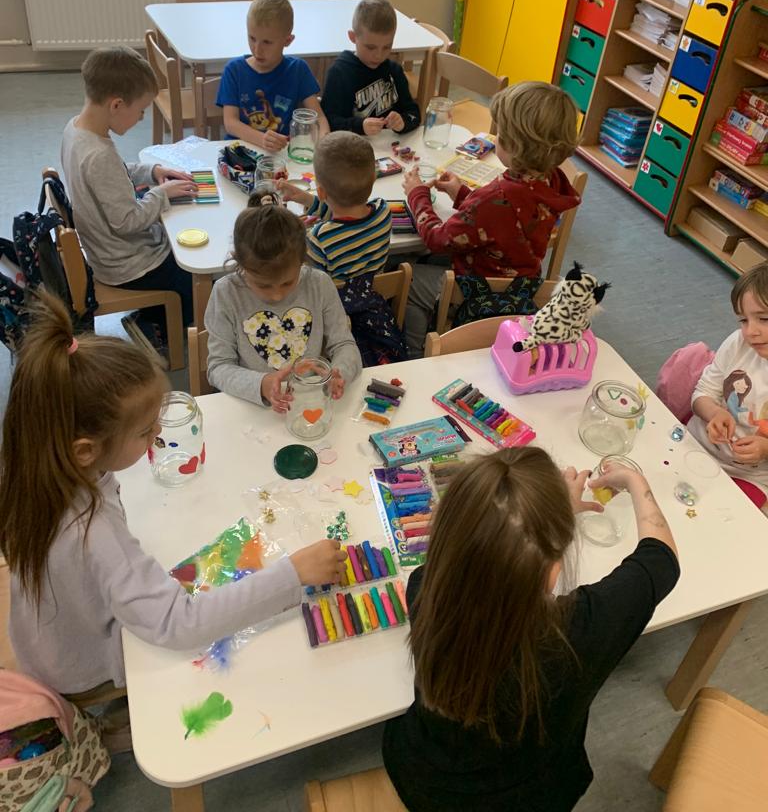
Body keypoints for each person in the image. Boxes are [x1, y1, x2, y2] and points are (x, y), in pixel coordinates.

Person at [0, 292, 347, 704]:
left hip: (46, 637)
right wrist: (293, 573)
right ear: (85, 450)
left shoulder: (36, 464)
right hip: (84, 664)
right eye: (146, 431)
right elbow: (179, 624)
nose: (157, 437)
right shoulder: (92, 531)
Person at [382, 447, 679, 812]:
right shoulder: (577, 634)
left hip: (423, 777)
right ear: (553, 568)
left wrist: (542, 520)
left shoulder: (426, 587)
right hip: (528, 798)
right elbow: (660, 560)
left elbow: (482, 549)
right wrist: (635, 481)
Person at [402, 81, 581, 357]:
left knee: (408, 279)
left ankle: (414, 355)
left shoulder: (498, 196)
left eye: (500, 133)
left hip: (477, 288)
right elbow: (507, 222)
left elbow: (437, 239)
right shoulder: (551, 179)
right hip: (522, 284)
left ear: (514, 145)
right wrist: (463, 194)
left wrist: (417, 195)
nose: (495, 138)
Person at [61, 46, 197, 352]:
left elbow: (115, 175)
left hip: (106, 254)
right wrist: (161, 194)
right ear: (117, 105)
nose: (141, 118)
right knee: (193, 276)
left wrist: (153, 171)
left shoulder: (76, 129)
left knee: (175, 245)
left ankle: (152, 316)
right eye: (141, 110)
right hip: (128, 265)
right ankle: (157, 328)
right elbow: (127, 222)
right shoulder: (99, 155)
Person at [205, 201, 362, 409]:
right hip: (252, 407)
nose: (277, 295)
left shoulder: (319, 284)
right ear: (241, 265)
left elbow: (344, 345)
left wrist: (340, 373)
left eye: (288, 282)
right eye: (263, 285)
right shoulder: (226, 293)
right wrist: (261, 384)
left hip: (309, 400)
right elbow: (218, 367)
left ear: (302, 262)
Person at [278, 132, 406, 365]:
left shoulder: (319, 239)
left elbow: (310, 285)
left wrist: (294, 231)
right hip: (374, 308)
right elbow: (349, 217)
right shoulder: (383, 212)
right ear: (373, 180)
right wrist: (309, 200)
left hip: (335, 320)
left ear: (321, 192)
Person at [689, 262, 768, 510]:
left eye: (764, 319)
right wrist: (714, 412)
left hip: (749, 476)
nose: (750, 331)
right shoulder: (738, 343)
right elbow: (702, 393)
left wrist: (766, 448)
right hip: (695, 444)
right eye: (743, 320)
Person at [217, 0, 329, 151]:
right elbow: (230, 123)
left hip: (281, 154)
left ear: (288, 40)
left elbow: (319, 118)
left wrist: (324, 141)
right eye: (252, 38)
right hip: (241, 152)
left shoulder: (298, 70)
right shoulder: (234, 70)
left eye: (267, 42)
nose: (257, 50)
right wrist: (262, 139)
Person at [321, 0, 420, 136]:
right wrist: (360, 126)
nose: (379, 55)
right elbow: (330, 121)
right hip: (352, 144)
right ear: (353, 37)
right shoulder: (339, 73)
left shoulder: (394, 71)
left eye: (387, 47)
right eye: (370, 47)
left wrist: (403, 122)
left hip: (389, 145)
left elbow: (414, 114)